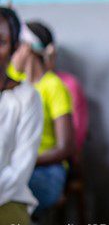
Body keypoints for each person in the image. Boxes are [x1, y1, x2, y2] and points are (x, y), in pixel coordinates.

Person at [11, 21, 75, 214]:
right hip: (17, 168)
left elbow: (66, 147)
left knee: (10, 193)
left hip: (47, 171)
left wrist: (25, 161)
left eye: (15, 46)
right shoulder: (13, 83)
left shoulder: (53, 87)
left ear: (27, 48)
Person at [0, 7, 43, 225]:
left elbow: (19, 170)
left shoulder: (26, 98)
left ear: (15, 48)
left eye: (1, 42)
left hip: (8, 197)